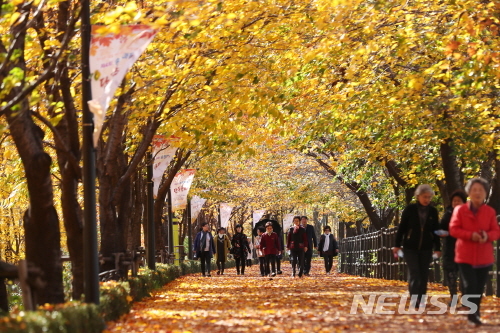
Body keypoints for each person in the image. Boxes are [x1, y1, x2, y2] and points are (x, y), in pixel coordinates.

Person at [450, 178, 500, 326]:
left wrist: (487, 236)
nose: (477, 193)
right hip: (465, 255)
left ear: (485, 193)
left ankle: (475, 311)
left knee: (479, 287)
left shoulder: (489, 212)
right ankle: (473, 314)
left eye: (481, 190)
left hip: (484, 256)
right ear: (469, 192)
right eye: (474, 190)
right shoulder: (460, 210)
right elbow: (454, 229)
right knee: (470, 285)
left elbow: (496, 231)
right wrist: (470, 235)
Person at [393, 184, 441, 308]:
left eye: (429, 197)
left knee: (424, 273)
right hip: (410, 247)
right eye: (425, 197)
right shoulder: (410, 209)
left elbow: (435, 231)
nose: (427, 200)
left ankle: (422, 299)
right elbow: (402, 228)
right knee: (414, 273)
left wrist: (437, 248)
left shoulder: (433, 211)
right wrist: (397, 245)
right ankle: (415, 300)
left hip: (426, 247)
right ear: (418, 196)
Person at [437, 189, 467, 304]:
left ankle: (465, 298)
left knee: (464, 275)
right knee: (451, 274)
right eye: (454, 201)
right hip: (450, 248)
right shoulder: (448, 214)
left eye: (458, 201)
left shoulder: (468, 214)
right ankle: (453, 297)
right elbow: (441, 228)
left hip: (465, 249)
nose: (456, 203)